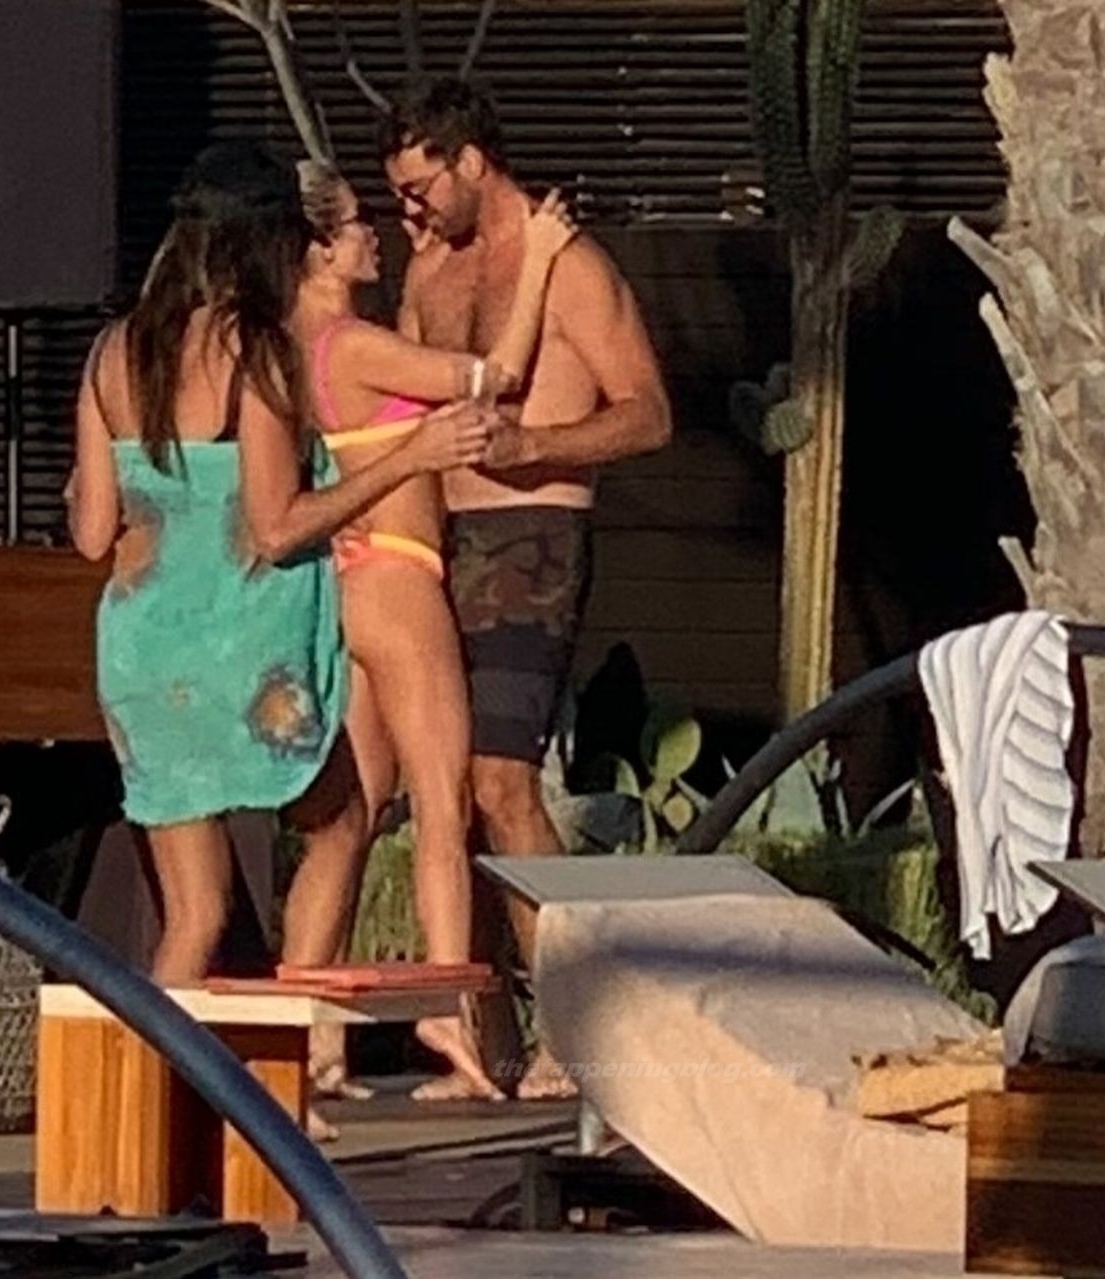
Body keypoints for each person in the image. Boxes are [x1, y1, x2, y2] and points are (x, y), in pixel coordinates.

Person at [65, 144, 493, 1095]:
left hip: (142, 659)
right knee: (341, 821)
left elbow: (92, 533)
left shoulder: (111, 352)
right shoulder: (254, 352)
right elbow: (277, 525)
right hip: (242, 654)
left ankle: (149, 1104)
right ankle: (283, 1087)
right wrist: (410, 454)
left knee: (194, 915)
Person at [379, 78, 673, 1098]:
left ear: (471, 161)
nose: (410, 210)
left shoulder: (571, 266)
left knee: (505, 783)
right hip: (435, 539)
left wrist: (535, 444)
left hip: (533, 533)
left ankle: (578, 1034)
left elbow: (648, 412)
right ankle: (482, 1039)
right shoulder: (428, 270)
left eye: (421, 187)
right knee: (443, 790)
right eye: (397, 194)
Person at [284, 161, 576, 1102]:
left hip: (348, 581)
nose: (374, 232)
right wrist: (540, 260)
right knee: (443, 803)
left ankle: (309, 1037)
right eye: (355, 226)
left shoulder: (296, 345)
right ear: (319, 249)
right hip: (402, 580)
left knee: (350, 817)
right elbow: (497, 378)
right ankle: (450, 1017)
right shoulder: (351, 344)